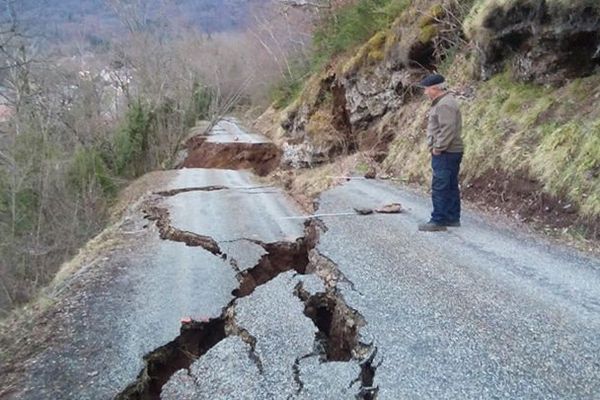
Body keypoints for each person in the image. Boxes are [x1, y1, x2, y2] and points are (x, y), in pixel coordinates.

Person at [417, 74, 464, 232]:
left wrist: (438, 147)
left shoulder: (444, 104)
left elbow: (447, 129)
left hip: (446, 152)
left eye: (427, 89)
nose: (425, 92)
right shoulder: (444, 102)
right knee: (450, 185)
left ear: (435, 88)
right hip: (450, 151)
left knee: (440, 185)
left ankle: (438, 220)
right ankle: (452, 217)